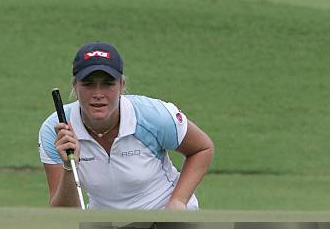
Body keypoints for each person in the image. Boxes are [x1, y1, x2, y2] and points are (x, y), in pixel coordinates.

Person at [38, 42, 214, 210]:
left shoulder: (153, 116)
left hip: (164, 218)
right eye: (88, 84)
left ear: (122, 85)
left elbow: (202, 149)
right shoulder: (57, 130)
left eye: (108, 84)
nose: (98, 94)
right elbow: (65, 214)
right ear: (75, 86)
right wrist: (70, 167)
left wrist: (178, 201)